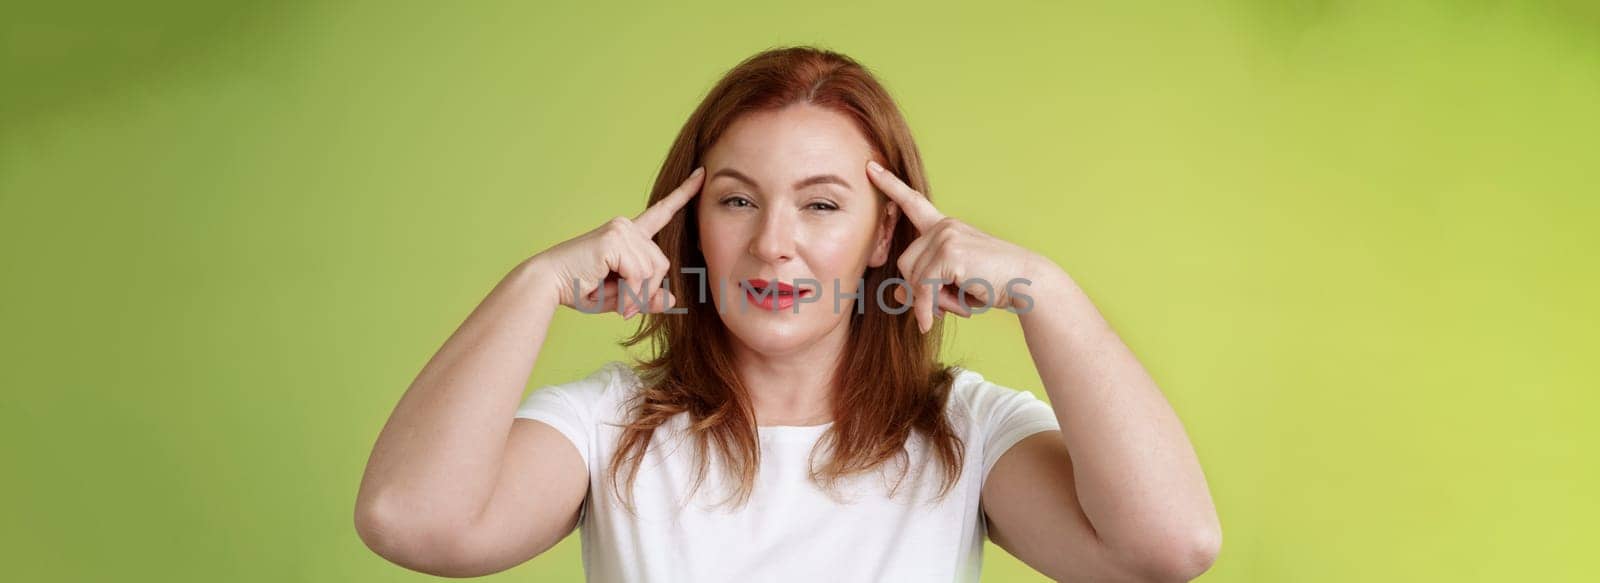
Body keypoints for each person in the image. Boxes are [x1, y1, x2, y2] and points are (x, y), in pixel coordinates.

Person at [354, 46, 1221, 582]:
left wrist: (1047, 288)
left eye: (820, 205)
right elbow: (409, 519)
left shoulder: (967, 432)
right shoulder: (607, 427)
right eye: (736, 201)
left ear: (886, 231)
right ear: (693, 223)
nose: (774, 244)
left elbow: (1168, 546)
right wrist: (534, 284)